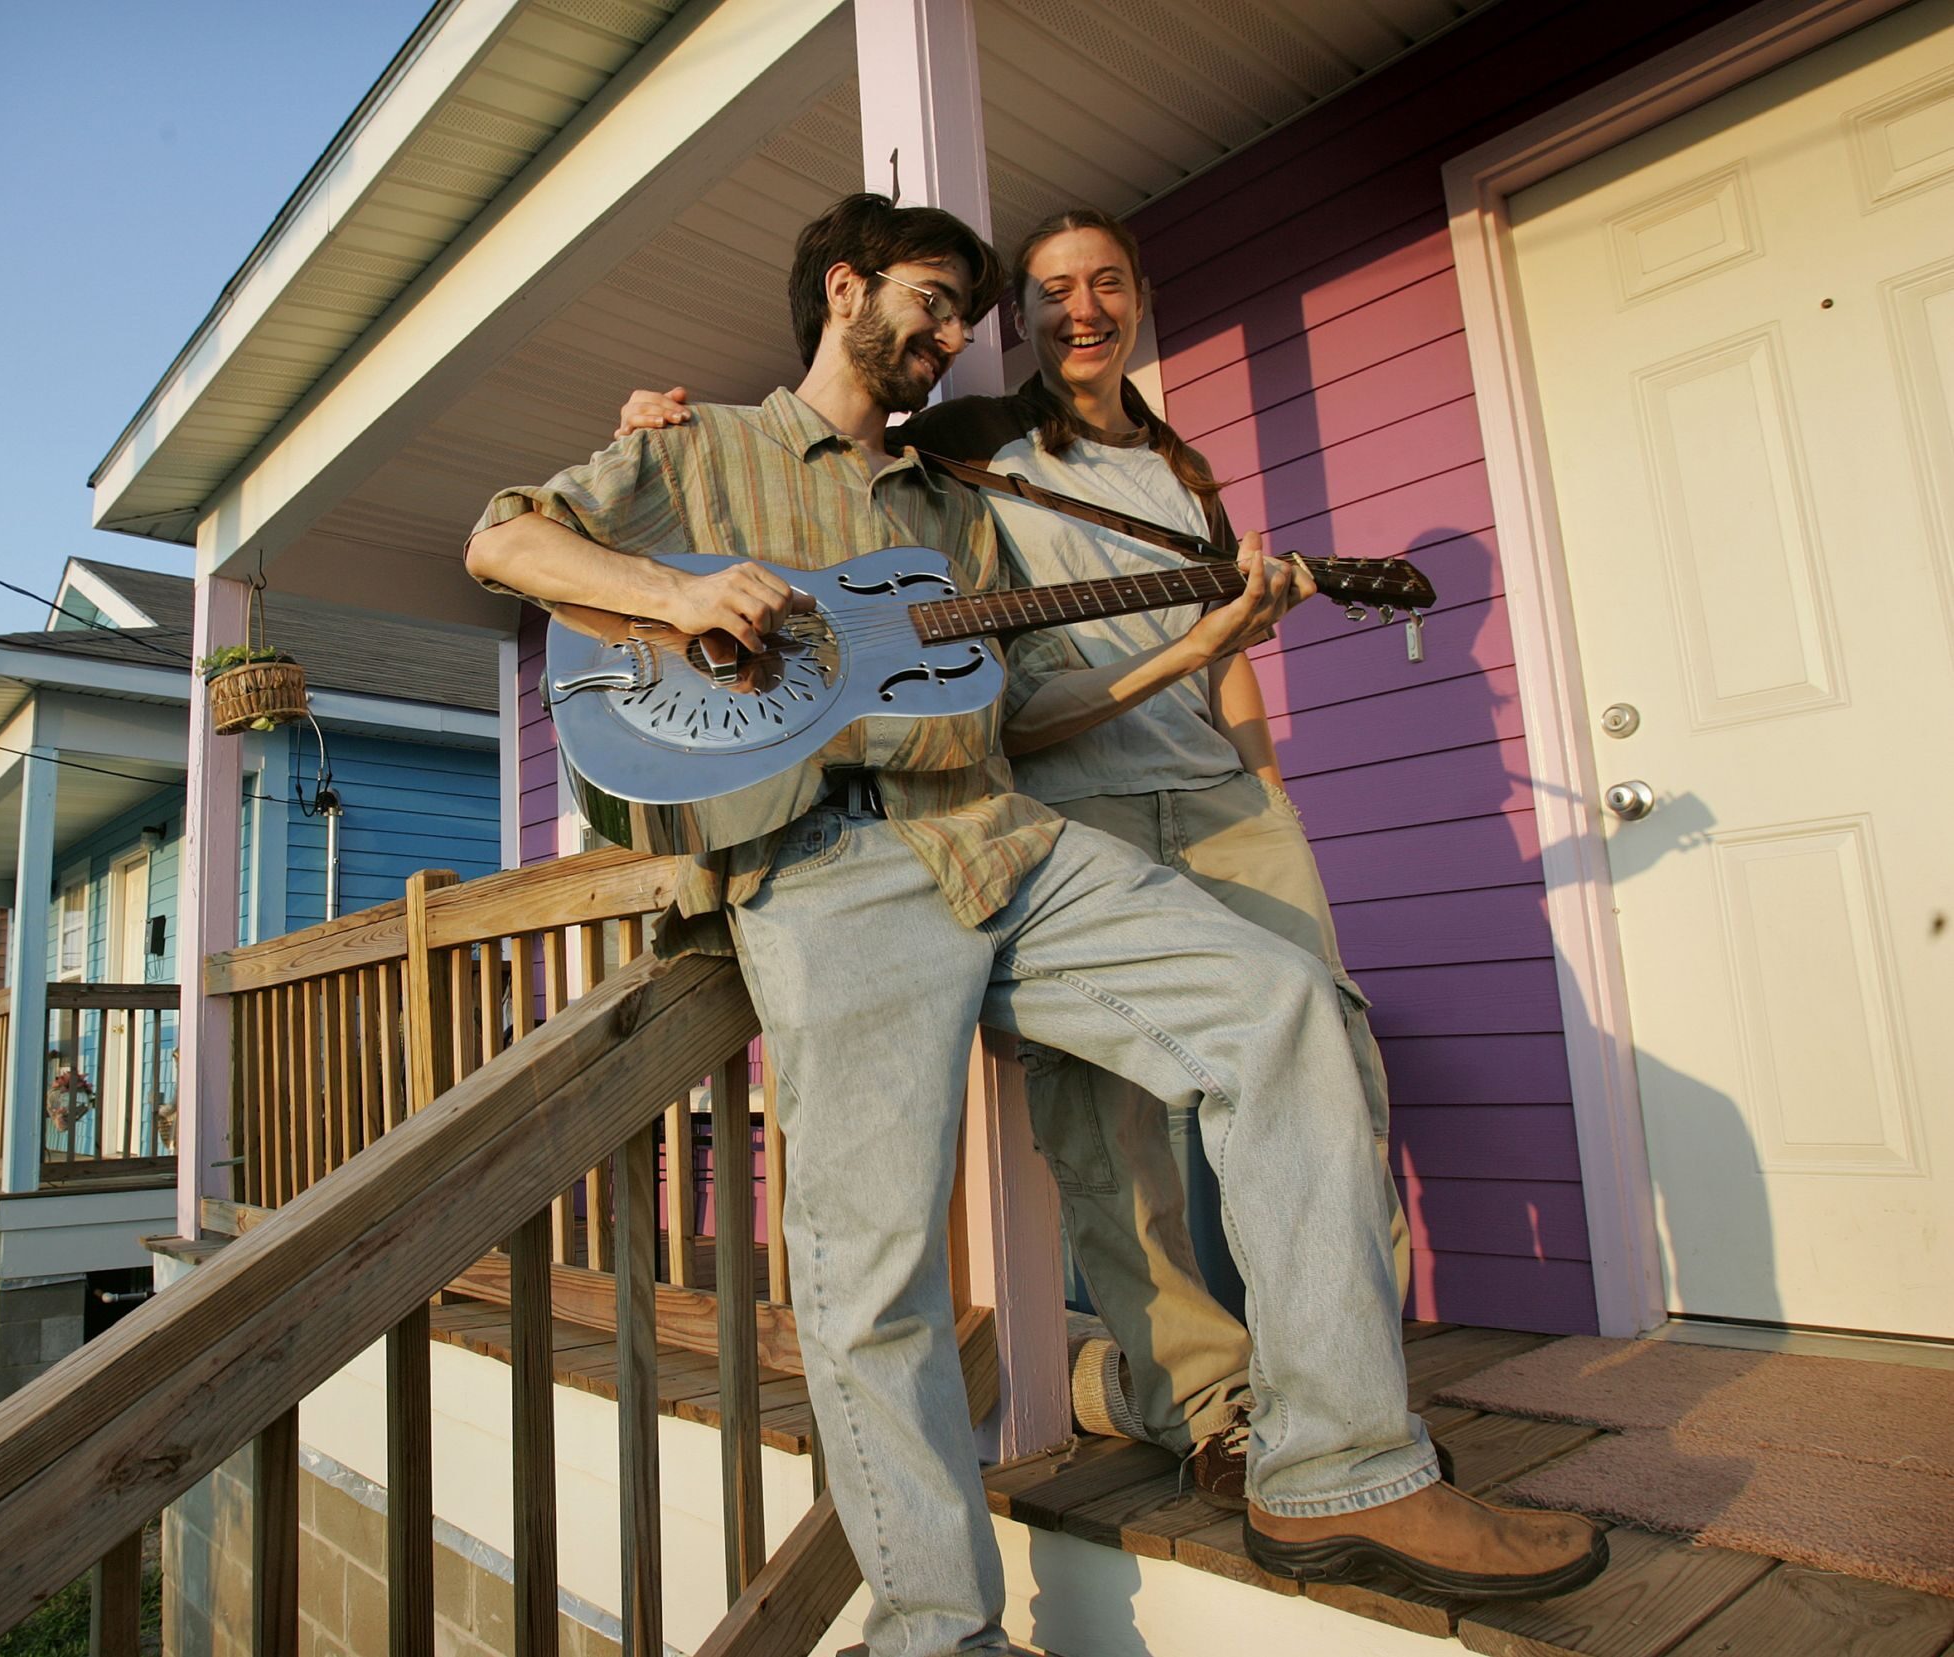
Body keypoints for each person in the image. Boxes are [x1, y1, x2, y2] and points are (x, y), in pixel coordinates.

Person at [467, 192, 1603, 1656]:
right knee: (874, 1273)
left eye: (959, 317)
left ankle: (1333, 1469)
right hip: (826, 867)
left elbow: (1023, 710)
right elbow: (506, 541)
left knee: (1286, 1009)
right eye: (929, 301)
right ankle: (938, 1631)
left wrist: (1195, 649)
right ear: (843, 287)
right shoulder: (698, 451)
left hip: (1005, 840)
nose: (948, 334)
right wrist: (671, 587)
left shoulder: (956, 515)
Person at [615, 204, 1411, 1504]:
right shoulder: (966, 441)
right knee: (1103, 1141)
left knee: (1313, 1044)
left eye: (1106, 283)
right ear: (1020, 323)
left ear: (1139, 298)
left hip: (1207, 788)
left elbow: (1201, 642)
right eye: (1048, 291)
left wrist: (1256, 753)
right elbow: (815, 457)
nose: (1080, 308)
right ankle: (1204, 1405)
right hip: (1054, 796)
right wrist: (663, 449)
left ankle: (1350, 1406)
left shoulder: (1176, 466)